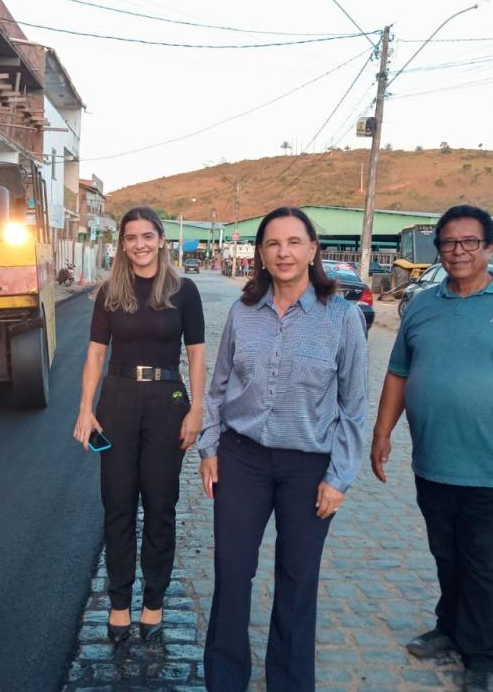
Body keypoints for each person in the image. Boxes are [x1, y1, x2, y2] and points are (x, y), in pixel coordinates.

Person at [370, 205, 493, 692]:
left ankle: (481, 657)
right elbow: (398, 373)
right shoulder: (423, 306)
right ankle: (450, 627)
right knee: (446, 553)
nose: (458, 251)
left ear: (490, 248)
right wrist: (381, 432)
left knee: (484, 562)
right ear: (438, 249)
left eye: (469, 242)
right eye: (448, 243)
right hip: (433, 462)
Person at [199, 206, 368, 691]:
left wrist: (339, 478)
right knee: (232, 574)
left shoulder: (342, 317)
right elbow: (219, 387)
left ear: (313, 249)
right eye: (273, 243)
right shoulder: (242, 312)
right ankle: (224, 681)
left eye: (295, 242)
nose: (284, 252)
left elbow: (354, 407)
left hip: (307, 469)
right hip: (242, 460)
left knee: (297, 582)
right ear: (261, 253)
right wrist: (210, 449)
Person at [74, 206, 206, 645]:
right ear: (122, 244)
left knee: (161, 506)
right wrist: (84, 408)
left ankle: (153, 600)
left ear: (161, 240)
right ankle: (118, 603)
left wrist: (197, 408)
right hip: (118, 402)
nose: (140, 244)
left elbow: (197, 355)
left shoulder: (184, 291)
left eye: (147, 236)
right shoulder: (110, 292)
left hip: (168, 401)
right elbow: (95, 353)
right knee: (118, 505)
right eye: (131, 237)